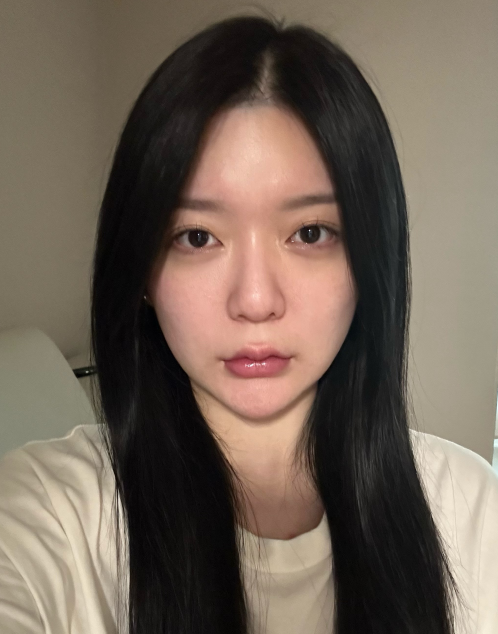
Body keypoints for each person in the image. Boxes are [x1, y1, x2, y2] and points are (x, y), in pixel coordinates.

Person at [0, 13, 497, 634]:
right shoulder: (47, 513)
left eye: (310, 233)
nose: (256, 300)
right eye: (197, 236)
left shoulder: (471, 511)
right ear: (141, 269)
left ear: (370, 259)